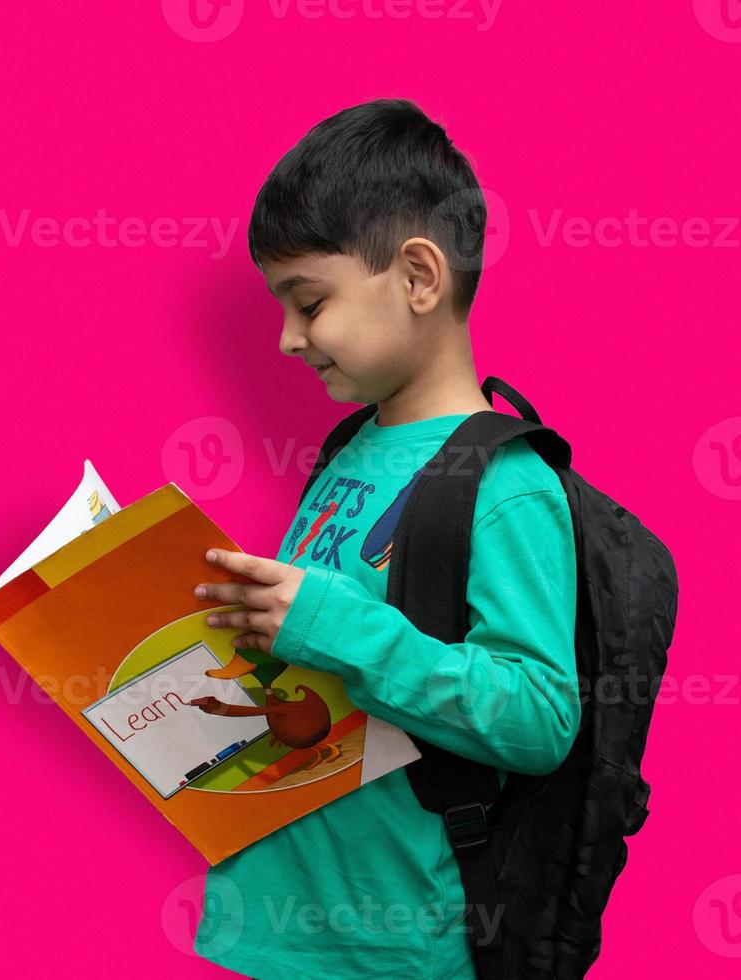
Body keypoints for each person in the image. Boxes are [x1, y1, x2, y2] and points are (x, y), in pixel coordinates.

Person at [189, 97, 580, 979]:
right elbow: (320, 672)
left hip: (395, 946)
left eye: (308, 301)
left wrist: (332, 625)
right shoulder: (348, 453)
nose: (287, 339)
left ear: (417, 277)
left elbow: (540, 714)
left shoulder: (507, 486)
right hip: (282, 925)